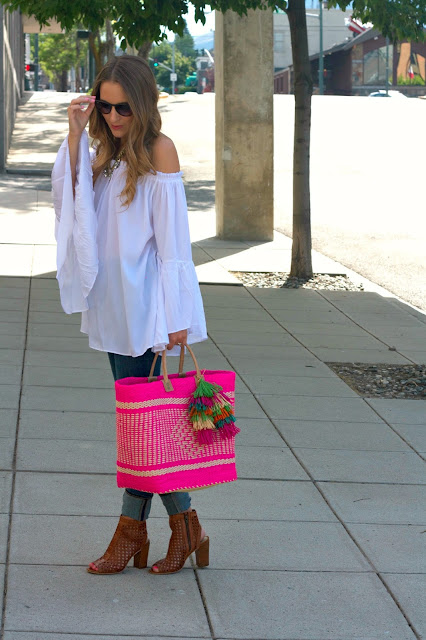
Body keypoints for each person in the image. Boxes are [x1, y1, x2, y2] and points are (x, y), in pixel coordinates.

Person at [51, 55, 209, 576]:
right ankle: (183, 527)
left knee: (144, 426)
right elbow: (70, 204)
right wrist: (77, 132)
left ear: (142, 104)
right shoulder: (105, 152)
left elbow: (174, 243)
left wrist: (178, 315)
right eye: (106, 106)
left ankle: (137, 530)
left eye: (124, 108)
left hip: (146, 310)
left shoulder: (159, 150)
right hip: (113, 308)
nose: (114, 117)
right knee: (141, 424)